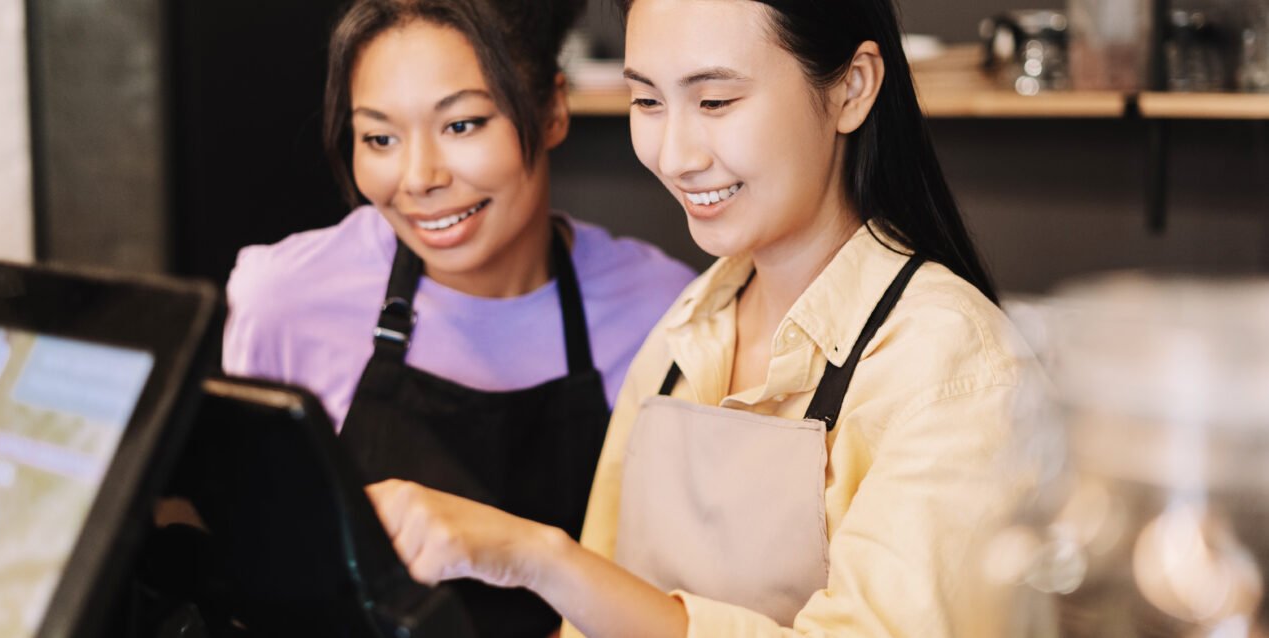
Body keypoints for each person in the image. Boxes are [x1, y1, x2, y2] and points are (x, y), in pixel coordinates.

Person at [363, 0, 1038, 636]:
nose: (675, 154)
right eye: (648, 101)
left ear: (853, 88)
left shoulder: (952, 364)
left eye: (715, 101)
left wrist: (542, 558)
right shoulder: (687, 330)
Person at [221, 0, 696, 635]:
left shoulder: (667, 314)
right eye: (379, 137)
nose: (418, 178)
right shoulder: (284, 298)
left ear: (553, 109)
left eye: (463, 124)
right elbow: (247, 570)